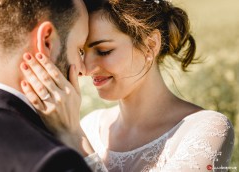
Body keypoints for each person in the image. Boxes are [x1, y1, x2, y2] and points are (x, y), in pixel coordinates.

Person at [21, 0, 235, 171]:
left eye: (104, 51)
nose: (85, 69)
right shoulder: (90, 125)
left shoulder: (206, 129)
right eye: (82, 52)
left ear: (151, 45)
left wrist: (74, 137)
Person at [0, 0, 93, 171]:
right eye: (80, 50)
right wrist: (73, 138)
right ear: (47, 41)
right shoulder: (51, 160)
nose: (84, 70)